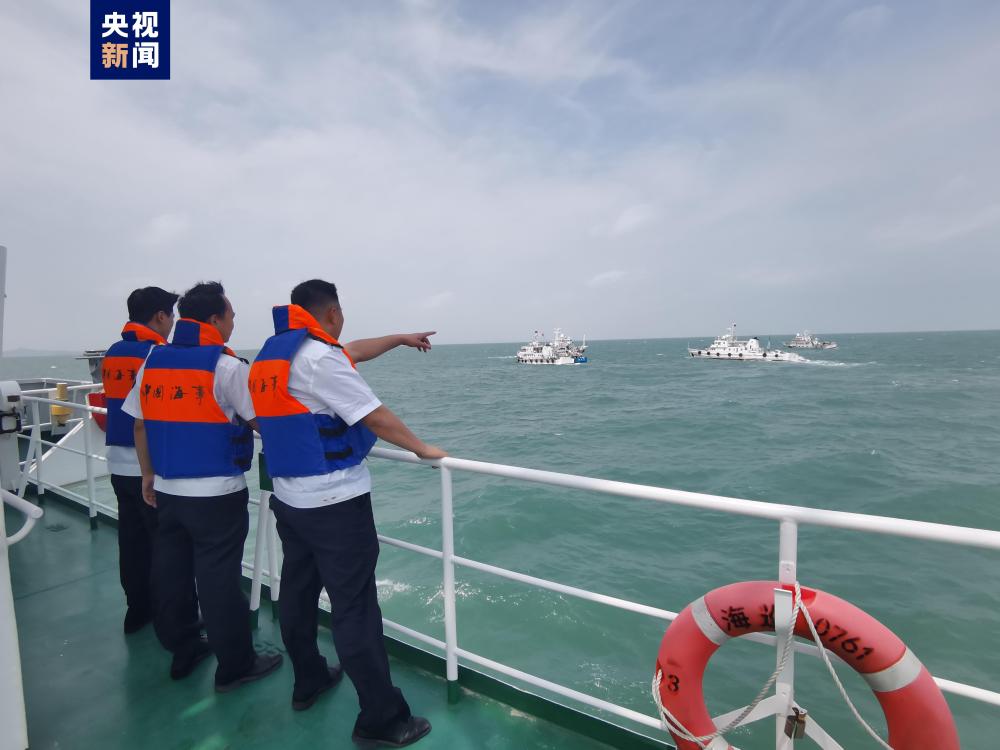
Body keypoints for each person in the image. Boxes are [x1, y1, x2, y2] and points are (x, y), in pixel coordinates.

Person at [249, 279, 445, 746]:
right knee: (355, 609)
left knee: (297, 592)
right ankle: (381, 719)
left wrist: (399, 338)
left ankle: (309, 680)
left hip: (291, 500)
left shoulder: (273, 357)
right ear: (333, 312)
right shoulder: (320, 358)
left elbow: (351, 350)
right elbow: (372, 415)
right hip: (335, 505)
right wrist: (422, 448)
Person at [123, 281, 283, 688]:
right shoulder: (227, 367)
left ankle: (184, 650)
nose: (233, 324)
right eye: (231, 316)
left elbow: (140, 424)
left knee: (173, 575)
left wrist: (147, 475)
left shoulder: (153, 359)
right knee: (218, 581)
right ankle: (235, 667)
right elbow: (260, 422)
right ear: (214, 319)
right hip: (217, 496)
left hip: (168, 491)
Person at [102, 286, 178, 634]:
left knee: (132, 542)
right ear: (160, 316)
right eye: (171, 316)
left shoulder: (112, 353)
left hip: (117, 463)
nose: (172, 323)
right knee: (164, 546)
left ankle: (137, 611)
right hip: (147, 467)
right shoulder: (155, 354)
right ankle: (169, 619)